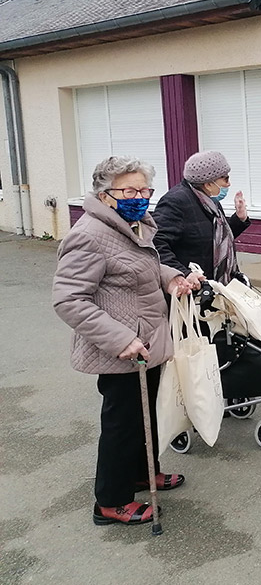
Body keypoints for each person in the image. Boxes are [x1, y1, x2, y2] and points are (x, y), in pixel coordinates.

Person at [52, 156, 193, 526]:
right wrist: (120, 339)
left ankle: (143, 473)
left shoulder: (135, 225)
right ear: (105, 193)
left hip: (149, 343)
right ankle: (111, 501)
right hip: (121, 351)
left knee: (145, 415)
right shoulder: (88, 235)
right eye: (130, 190)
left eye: (145, 189)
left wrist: (172, 278)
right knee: (123, 423)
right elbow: (69, 299)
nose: (141, 197)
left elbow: (141, 266)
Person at [153, 150, 249, 286]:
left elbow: (216, 238)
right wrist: (184, 274)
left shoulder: (209, 200)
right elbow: (156, 245)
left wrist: (239, 219)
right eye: (225, 178)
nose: (229, 184)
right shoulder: (175, 201)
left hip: (214, 286)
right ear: (208, 183)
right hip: (193, 290)